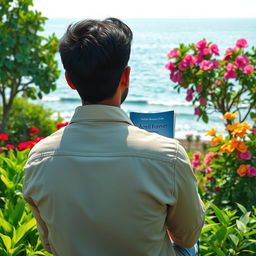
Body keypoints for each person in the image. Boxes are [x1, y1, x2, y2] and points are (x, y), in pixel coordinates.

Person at [23, 18, 205, 256]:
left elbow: (50, 244)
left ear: (69, 80)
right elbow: (188, 235)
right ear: (125, 76)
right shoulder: (167, 155)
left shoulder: (39, 158)